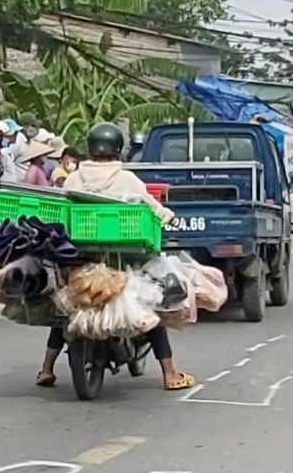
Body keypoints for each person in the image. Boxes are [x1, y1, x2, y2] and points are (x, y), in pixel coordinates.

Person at [38, 123, 193, 391]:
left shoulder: (75, 177)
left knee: (67, 309)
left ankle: (46, 369)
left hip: (80, 254)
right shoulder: (127, 179)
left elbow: (63, 206)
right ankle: (169, 374)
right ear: (118, 149)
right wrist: (168, 216)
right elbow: (153, 207)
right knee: (151, 307)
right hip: (123, 254)